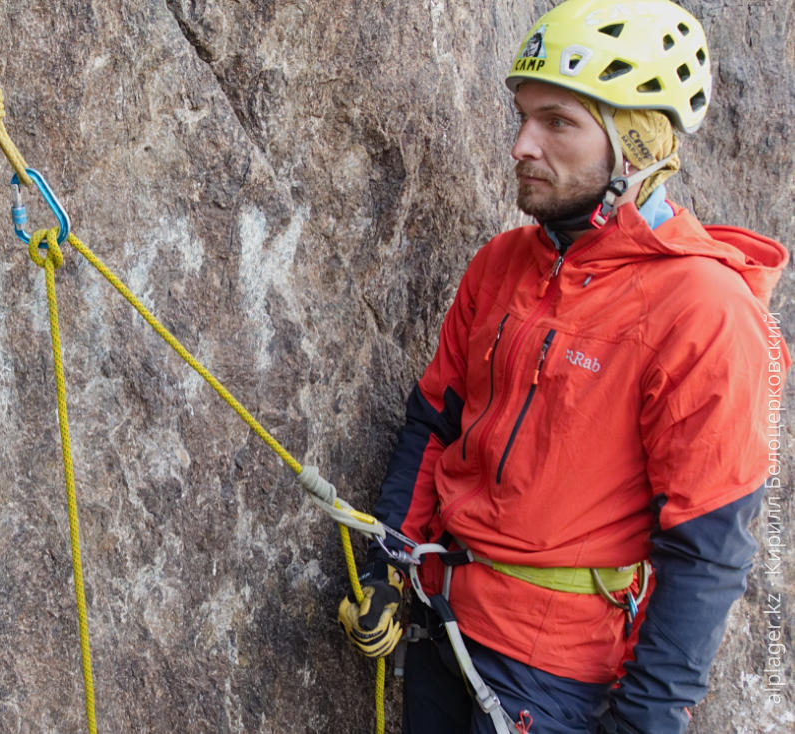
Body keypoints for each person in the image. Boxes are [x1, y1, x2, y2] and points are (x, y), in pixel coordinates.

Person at [337, 1, 791, 732]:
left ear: (635, 146)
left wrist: (644, 720)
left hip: (553, 678)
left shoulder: (704, 313)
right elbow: (435, 421)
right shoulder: (504, 265)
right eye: (522, 117)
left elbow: (707, 550)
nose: (521, 143)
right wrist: (390, 561)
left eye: (558, 122)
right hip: (446, 622)